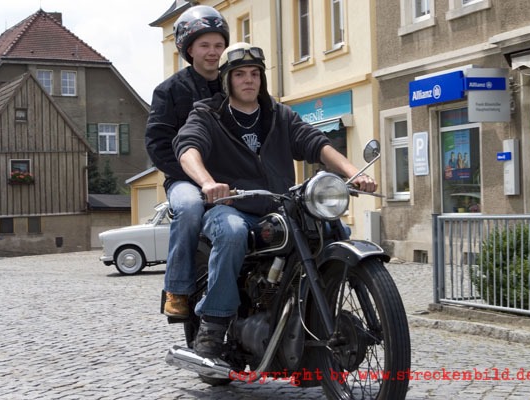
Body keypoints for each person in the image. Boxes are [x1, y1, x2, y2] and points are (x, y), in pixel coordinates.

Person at [173, 42, 377, 358]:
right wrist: (208, 182)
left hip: (280, 207)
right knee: (232, 233)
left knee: (332, 229)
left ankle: (322, 309)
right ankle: (213, 325)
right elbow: (188, 149)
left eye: (254, 73)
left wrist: (354, 174)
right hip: (231, 207)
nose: (248, 80)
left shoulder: (279, 115)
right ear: (227, 79)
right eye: (240, 74)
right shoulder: (208, 114)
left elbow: (316, 143)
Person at [145, 5, 229, 318]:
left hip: (232, 176)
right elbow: (157, 144)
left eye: (218, 45)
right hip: (184, 179)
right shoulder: (169, 90)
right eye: (205, 45)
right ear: (189, 49)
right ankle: (177, 289)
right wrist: (197, 177)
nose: (213, 52)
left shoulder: (234, 83)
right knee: (191, 207)